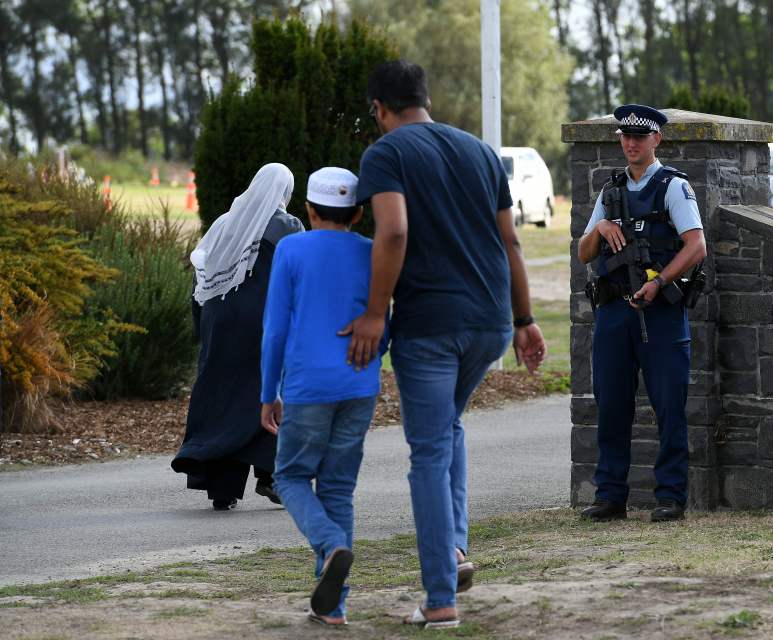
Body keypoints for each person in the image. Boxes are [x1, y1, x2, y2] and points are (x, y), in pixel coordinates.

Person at [346, 60, 547, 629]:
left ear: (379, 109)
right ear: (425, 99)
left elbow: (394, 231)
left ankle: (439, 599)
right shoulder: (480, 152)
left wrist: (373, 313)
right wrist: (524, 318)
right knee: (448, 429)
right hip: (487, 321)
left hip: (430, 326)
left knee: (428, 453)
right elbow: (510, 239)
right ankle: (454, 552)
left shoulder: (386, 154)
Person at [260, 167, 385, 626]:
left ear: (307, 211)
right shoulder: (373, 252)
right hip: (359, 385)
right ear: (356, 214)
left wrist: (267, 391)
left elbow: (275, 329)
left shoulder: (291, 249)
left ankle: (331, 545)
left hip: (308, 386)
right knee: (338, 488)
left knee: (290, 476)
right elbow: (383, 321)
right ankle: (334, 607)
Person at [576, 104, 707, 524]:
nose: (631, 143)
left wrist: (659, 282)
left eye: (640, 137)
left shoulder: (673, 186)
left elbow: (696, 246)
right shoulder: (610, 190)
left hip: (660, 311)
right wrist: (599, 229)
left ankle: (671, 497)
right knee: (611, 404)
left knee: (669, 404)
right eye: (625, 137)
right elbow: (583, 253)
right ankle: (610, 495)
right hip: (614, 311)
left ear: (657, 140)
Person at [172, 163, 304, 511]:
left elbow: (202, 279)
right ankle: (273, 474)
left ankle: (222, 487)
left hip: (219, 320)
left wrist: (201, 325)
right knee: (270, 388)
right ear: (284, 193)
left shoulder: (224, 223)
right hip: (262, 322)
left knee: (224, 393)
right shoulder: (288, 226)